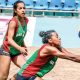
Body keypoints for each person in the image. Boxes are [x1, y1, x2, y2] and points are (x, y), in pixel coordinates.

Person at [15, 30, 80, 80]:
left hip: (31, 75)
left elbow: (71, 55)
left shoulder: (58, 47)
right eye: (57, 37)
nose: (59, 38)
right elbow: (72, 58)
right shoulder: (48, 48)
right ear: (50, 40)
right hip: (27, 75)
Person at [0, 1, 29, 80]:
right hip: (6, 51)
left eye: (24, 8)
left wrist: (23, 45)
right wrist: (20, 48)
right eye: (20, 8)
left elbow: (20, 35)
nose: (23, 10)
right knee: (3, 77)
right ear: (15, 11)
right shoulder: (13, 22)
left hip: (16, 51)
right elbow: (9, 39)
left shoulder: (26, 20)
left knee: (27, 69)